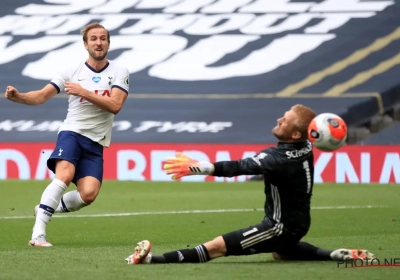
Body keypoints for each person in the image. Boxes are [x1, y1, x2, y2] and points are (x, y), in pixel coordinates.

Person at [125, 104, 375, 264]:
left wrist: (199, 166)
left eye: (285, 120)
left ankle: (150, 261)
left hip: (278, 226)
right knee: (281, 252)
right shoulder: (307, 146)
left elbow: (241, 167)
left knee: (216, 247)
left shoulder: (278, 158)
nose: (279, 119)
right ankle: (332, 255)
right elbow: (317, 132)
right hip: (299, 223)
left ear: (297, 135)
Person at [5, 23, 130, 247]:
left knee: (88, 194)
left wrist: (83, 92)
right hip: (71, 132)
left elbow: (115, 105)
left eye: (103, 38)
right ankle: (38, 234)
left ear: (109, 43)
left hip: (96, 142)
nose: (98, 43)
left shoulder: (119, 71)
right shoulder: (71, 71)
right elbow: (42, 96)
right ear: (86, 44)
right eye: (93, 39)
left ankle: (44, 207)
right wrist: (19, 97)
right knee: (64, 175)